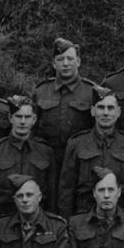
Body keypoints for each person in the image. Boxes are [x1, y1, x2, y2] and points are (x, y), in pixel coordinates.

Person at [59, 85, 124, 219]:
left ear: (118, 112)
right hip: (84, 217)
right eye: (100, 107)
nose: (105, 113)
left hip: (121, 218)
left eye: (110, 108)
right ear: (93, 111)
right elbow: (66, 189)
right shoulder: (77, 143)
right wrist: (67, 222)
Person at [0, 95, 55, 218]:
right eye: (18, 116)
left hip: (36, 219)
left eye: (27, 117)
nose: (23, 121)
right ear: (10, 118)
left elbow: (52, 195)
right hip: (2, 218)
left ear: (34, 119)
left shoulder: (45, 151)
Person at [33, 37, 97, 173]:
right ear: (54, 64)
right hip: (47, 160)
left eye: (70, 59)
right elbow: (32, 128)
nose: (66, 63)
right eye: (60, 59)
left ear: (78, 62)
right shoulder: (41, 91)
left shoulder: (91, 91)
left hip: (81, 159)